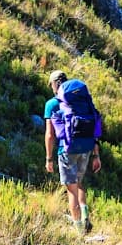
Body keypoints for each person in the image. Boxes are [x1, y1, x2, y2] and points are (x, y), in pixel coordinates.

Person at [44, 69, 102, 232]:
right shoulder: (82, 101)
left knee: (71, 189)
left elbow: (50, 134)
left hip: (67, 149)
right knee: (79, 183)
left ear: (55, 85)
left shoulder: (52, 104)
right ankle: (84, 214)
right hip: (87, 147)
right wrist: (96, 155)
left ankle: (79, 230)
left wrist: (49, 158)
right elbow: (94, 126)